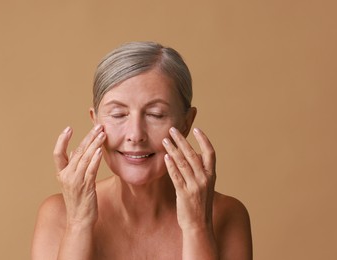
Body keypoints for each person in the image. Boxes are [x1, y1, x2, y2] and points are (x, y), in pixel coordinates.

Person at [31, 41, 252, 260]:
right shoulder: (58, 214)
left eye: (156, 114)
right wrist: (78, 223)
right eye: (118, 114)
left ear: (186, 122)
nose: (136, 135)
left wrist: (197, 226)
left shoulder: (226, 215)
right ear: (95, 120)